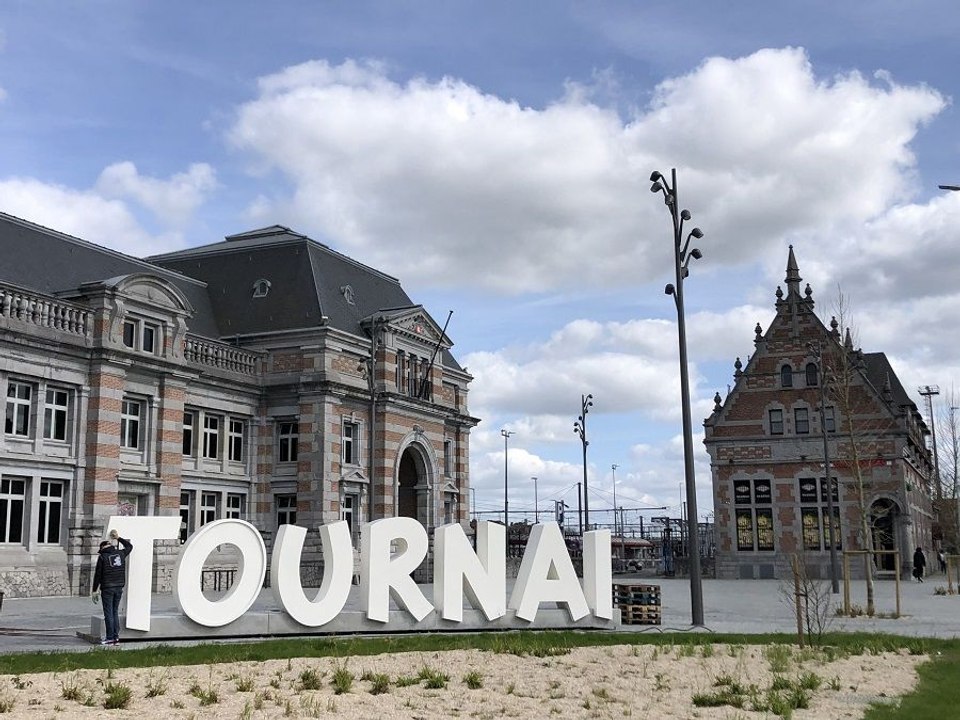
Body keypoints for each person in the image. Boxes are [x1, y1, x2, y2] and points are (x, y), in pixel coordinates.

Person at [92, 529, 133, 645]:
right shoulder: (121, 553)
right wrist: (118, 538)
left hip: (107, 588)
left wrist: (94, 590)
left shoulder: (102, 557)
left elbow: (98, 575)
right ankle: (116, 638)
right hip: (119, 587)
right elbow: (129, 546)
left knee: (108, 613)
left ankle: (110, 638)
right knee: (114, 612)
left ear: (102, 548)